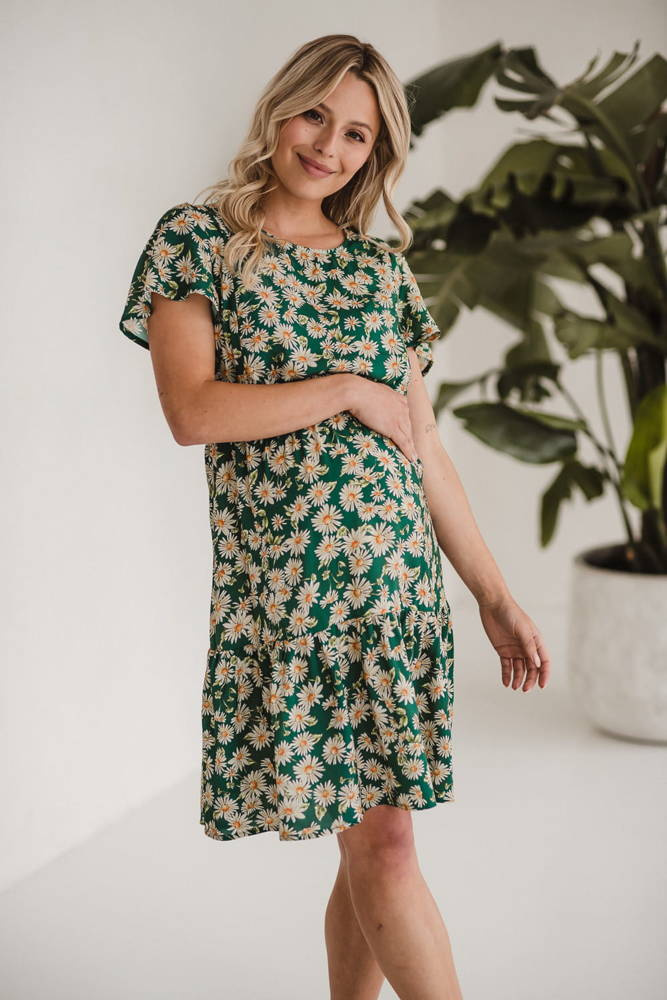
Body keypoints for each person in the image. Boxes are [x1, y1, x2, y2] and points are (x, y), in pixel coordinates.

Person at [119, 32, 550, 1000]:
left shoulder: (380, 271)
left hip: (395, 592)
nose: (329, 145)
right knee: (383, 844)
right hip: (295, 597)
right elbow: (194, 412)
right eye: (315, 115)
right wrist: (348, 387)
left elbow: (423, 445)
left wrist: (493, 594)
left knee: (375, 840)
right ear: (278, 110)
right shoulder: (197, 241)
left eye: (357, 133)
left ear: (377, 152)